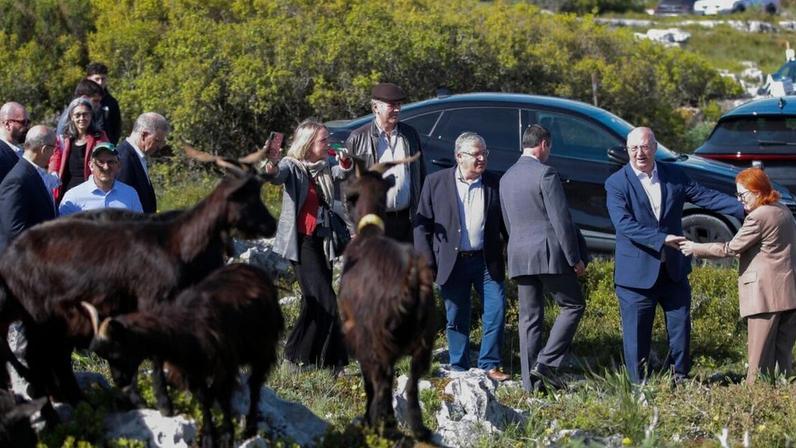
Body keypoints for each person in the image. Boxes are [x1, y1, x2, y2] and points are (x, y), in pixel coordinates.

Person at [605, 127, 744, 384]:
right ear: (627, 151)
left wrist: (746, 208)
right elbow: (624, 224)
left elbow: (706, 197)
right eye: (634, 148)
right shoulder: (616, 183)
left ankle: (679, 378)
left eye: (645, 147)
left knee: (680, 330)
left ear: (655, 148)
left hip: (673, 271)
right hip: (636, 277)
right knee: (637, 337)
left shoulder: (674, 175)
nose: (639, 153)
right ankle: (638, 388)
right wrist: (662, 239)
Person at [680, 168, 796, 384]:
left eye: (742, 195)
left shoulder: (758, 217)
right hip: (789, 293)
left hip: (764, 296)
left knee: (757, 360)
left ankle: (752, 403)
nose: (740, 201)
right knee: (783, 360)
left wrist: (694, 247)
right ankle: (783, 400)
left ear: (757, 191)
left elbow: (730, 248)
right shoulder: (782, 209)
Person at [414, 132, 509, 381]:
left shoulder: (494, 183)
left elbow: (506, 226)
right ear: (459, 156)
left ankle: (490, 363)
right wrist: (427, 262)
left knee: (496, 310)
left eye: (484, 153)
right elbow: (422, 227)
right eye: (475, 154)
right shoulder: (435, 183)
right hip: (452, 262)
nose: (481, 158)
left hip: (487, 261)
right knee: (456, 315)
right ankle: (460, 366)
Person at [500, 124, 587, 391]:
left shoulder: (506, 177)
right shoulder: (546, 173)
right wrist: (574, 258)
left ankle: (530, 385)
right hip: (548, 252)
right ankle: (546, 365)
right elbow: (561, 219)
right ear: (544, 144)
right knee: (573, 305)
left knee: (529, 318)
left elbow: (507, 222)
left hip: (519, 255)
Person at [261, 119, 353, 371]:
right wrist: (271, 162)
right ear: (308, 143)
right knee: (325, 299)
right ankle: (319, 360)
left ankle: (307, 358)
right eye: (323, 140)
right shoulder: (292, 166)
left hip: (322, 241)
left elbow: (341, 173)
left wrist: (345, 161)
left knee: (312, 300)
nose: (327, 143)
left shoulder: (324, 166)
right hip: (301, 242)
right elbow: (276, 176)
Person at [345, 82, 425, 243]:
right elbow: (348, 188)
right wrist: (353, 227)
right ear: (376, 108)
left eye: (399, 105)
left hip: (407, 220)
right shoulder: (358, 138)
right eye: (392, 105)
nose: (397, 109)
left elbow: (421, 176)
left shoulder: (410, 135)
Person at [0, 125, 57, 253]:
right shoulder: (17, 180)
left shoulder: (31, 173)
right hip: (22, 262)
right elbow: (14, 230)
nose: (54, 153)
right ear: (45, 149)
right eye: (54, 148)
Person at [48, 97, 109, 203]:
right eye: (77, 115)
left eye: (85, 114)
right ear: (71, 117)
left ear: (91, 116)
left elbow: (106, 160)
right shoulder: (63, 139)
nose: (82, 118)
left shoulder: (99, 137)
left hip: (91, 194)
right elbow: (54, 166)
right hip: (67, 193)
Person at [58, 142, 143, 216]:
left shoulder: (130, 194)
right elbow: (63, 231)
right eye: (100, 162)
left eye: (111, 162)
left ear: (119, 165)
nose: (106, 167)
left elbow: (139, 228)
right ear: (91, 166)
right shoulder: (73, 196)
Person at [116, 112, 170, 213]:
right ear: (144, 135)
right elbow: (122, 204)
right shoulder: (123, 158)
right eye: (157, 140)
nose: (160, 146)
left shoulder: (137, 156)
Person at [86, 62, 122, 145]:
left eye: (103, 79)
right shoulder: (81, 99)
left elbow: (116, 129)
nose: (100, 82)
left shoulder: (111, 102)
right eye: (97, 79)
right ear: (88, 79)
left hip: (106, 147)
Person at [0, 102, 29, 180]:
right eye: (23, 122)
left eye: (28, 122)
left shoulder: (19, 151)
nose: (27, 127)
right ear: (7, 124)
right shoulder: (2, 153)